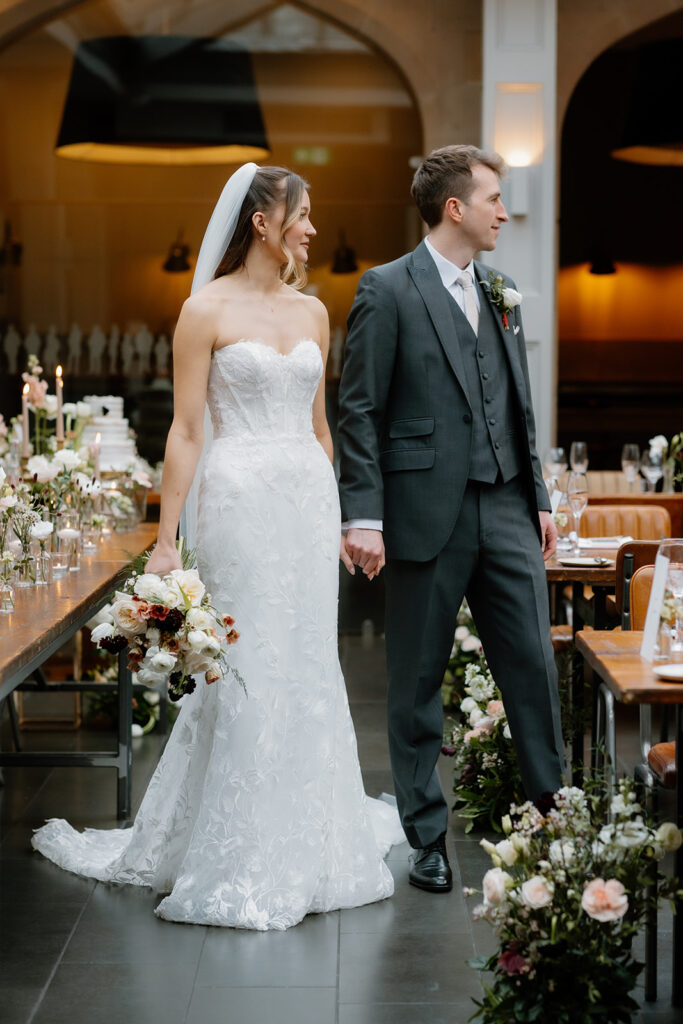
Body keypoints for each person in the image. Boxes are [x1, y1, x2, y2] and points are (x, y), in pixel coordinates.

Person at [32, 163, 404, 930]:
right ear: (262, 223)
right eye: (301, 216)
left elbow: (320, 425)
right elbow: (187, 429)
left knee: (303, 654)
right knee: (248, 655)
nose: (310, 229)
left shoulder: (312, 314)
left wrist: (344, 515)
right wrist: (166, 540)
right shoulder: (202, 310)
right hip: (235, 496)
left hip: (304, 499)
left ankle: (313, 834)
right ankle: (232, 842)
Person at [337, 144, 565, 895]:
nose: (505, 211)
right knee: (415, 681)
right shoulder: (386, 288)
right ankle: (425, 837)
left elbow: (519, 404)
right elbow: (360, 409)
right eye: (495, 198)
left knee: (532, 662)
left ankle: (550, 811)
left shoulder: (500, 289)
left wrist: (536, 497)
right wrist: (362, 515)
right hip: (420, 512)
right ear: (455, 208)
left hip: (503, 504)